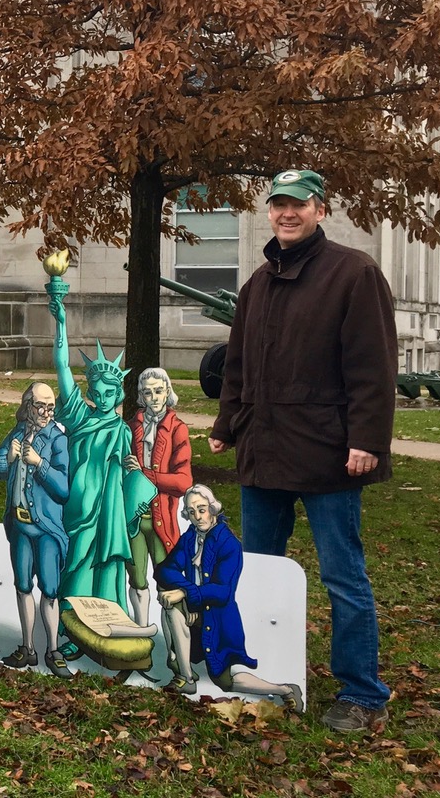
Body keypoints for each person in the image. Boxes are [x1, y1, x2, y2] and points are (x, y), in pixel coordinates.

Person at [209, 168, 396, 733]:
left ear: (320, 209)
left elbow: (373, 366)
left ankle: (363, 692)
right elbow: (237, 367)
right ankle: (260, 677)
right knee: (256, 573)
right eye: (278, 205)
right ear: (269, 212)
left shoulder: (353, 272)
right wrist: (226, 424)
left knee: (344, 576)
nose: (287, 214)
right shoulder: (258, 284)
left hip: (328, 455)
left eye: (299, 204)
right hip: (263, 454)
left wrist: (367, 439)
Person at [47, 290, 156, 621]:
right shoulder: (79, 416)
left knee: (108, 566)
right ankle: (71, 624)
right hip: (79, 509)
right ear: (90, 391)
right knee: (76, 563)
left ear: (119, 392)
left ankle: (108, 620)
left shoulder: (123, 431)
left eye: (111, 392)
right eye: (98, 391)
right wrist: (61, 322)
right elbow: (62, 365)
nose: (104, 397)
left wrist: (137, 476)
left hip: (109, 513)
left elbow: (128, 476)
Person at [156, 485, 304, 711]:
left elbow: (223, 591)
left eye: (202, 509)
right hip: (195, 611)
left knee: (226, 681)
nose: (197, 516)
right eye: (192, 511)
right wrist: (188, 594)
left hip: (218, 620)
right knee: (169, 602)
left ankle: (285, 689)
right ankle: (185, 676)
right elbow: (165, 569)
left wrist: (187, 593)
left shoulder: (229, 544)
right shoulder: (190, 538)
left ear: (213, 509)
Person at [0, 382, 72, 676]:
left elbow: (63, 489)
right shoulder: (17, 433)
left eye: (50, 407)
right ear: (27, 406)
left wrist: (40, 463)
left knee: (50, 588)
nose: (45, 412)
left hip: (46, 528)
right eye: (39, 406)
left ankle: (53, 649)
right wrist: (6, 460)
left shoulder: (58, 440)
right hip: (19, 524)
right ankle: (28, 647)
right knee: (22, 586)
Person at [123, 368, 193, 627]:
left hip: (162, 517)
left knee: (168, 583)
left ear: (168, 392)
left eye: (158, 391)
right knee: (136, 580)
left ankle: (176, 649)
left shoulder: (178, 429)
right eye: (147, 392)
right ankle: (142, 635)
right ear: (141, 395)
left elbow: (184, 482)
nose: (153, 397)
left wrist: (146, 474)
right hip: (133, 519)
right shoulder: (131, 427)